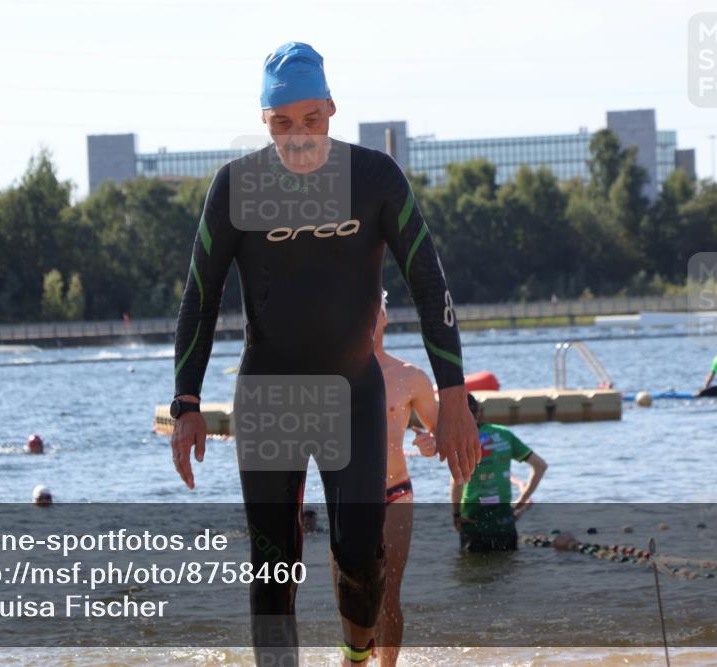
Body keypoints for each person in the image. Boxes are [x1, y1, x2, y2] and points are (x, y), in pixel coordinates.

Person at [168, 41, 480, 664]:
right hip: (267, 399)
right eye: (282, 123)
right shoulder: (238, 185)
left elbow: (428, 283)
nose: (298, 136)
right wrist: (186, 403)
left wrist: (454, 396)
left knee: (362, 559)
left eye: (310, 120)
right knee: (272, 567)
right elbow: (199, 298)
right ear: (265, 122)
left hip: (352, 395)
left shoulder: (374, 179)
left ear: (331, 110)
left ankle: (355, 657)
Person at [373, 290, 440, 667]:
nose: (366, 323)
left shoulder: (410, 376)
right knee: (356, 592)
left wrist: (432, 443)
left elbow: (438, 435)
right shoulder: (335, 374)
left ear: (385, 318)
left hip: (397, 490)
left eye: (373, 313)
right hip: (349, 496)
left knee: (390, 592)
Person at [452, 394, 547, 552]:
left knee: (471, 571)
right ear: (479, 411)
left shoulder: (461, 440)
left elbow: (457, 482)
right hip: (504, 519)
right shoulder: (504, 434)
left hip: (472, 519)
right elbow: (540, 466)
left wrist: (455, 514)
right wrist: (521, 502)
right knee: (507, 570)